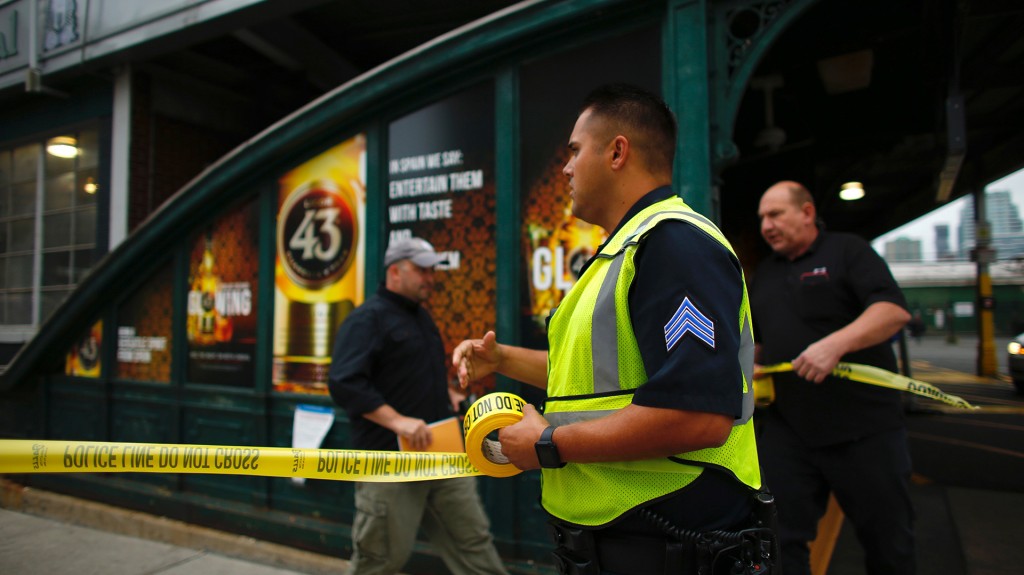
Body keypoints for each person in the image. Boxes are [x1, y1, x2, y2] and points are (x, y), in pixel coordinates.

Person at [453, 84, 773, 575]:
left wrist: (548, 443)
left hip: (664, 543)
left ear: (617, 152)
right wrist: (502, 360)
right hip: (622, 542)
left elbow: (699, 415)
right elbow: (596, 380)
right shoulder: (625, 251)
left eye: (575, 151)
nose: (566, 168)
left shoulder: (673, 245)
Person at [750, 180, 914, 575]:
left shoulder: (848, 251)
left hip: (863, 430)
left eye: (775, 214)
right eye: (762, 218)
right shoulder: (765, 274)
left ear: (807, 212)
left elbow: (892, 311)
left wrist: (835, 345)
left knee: (889, 544)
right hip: (790, 431)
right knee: (779, 541)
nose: (766, 225)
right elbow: (758, 341)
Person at [328, 236, 508, 575]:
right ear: (395, 271)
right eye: (422, 269)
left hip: (442, 453)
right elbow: (343, 382)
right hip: (389, 462)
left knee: (474, 543)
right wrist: (398, 421)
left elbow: (414, 373)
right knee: (379, 560)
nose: (430, 277)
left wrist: (450, 395)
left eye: (432, 270)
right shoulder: (366, 319)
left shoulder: (421, 317)